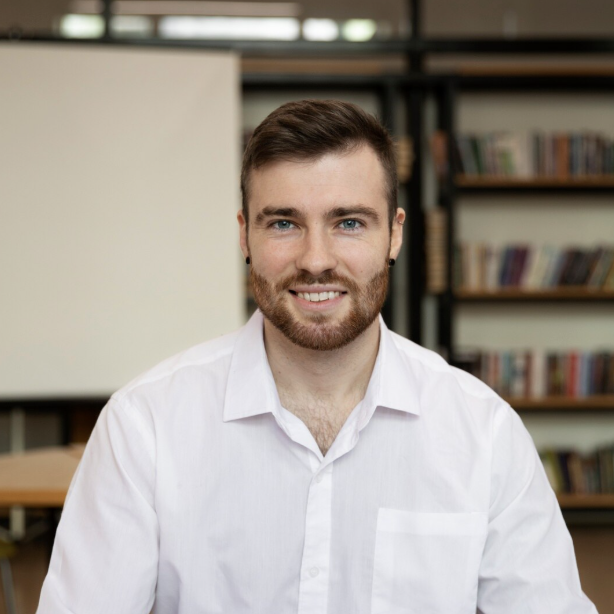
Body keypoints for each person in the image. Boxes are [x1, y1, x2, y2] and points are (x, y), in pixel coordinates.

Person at [37, 99, 597, 614]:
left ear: (395, 235)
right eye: (284, 223)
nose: (315, 260)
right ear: (245, 237)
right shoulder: (145, 427)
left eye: (349, 222)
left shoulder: (484, 434)